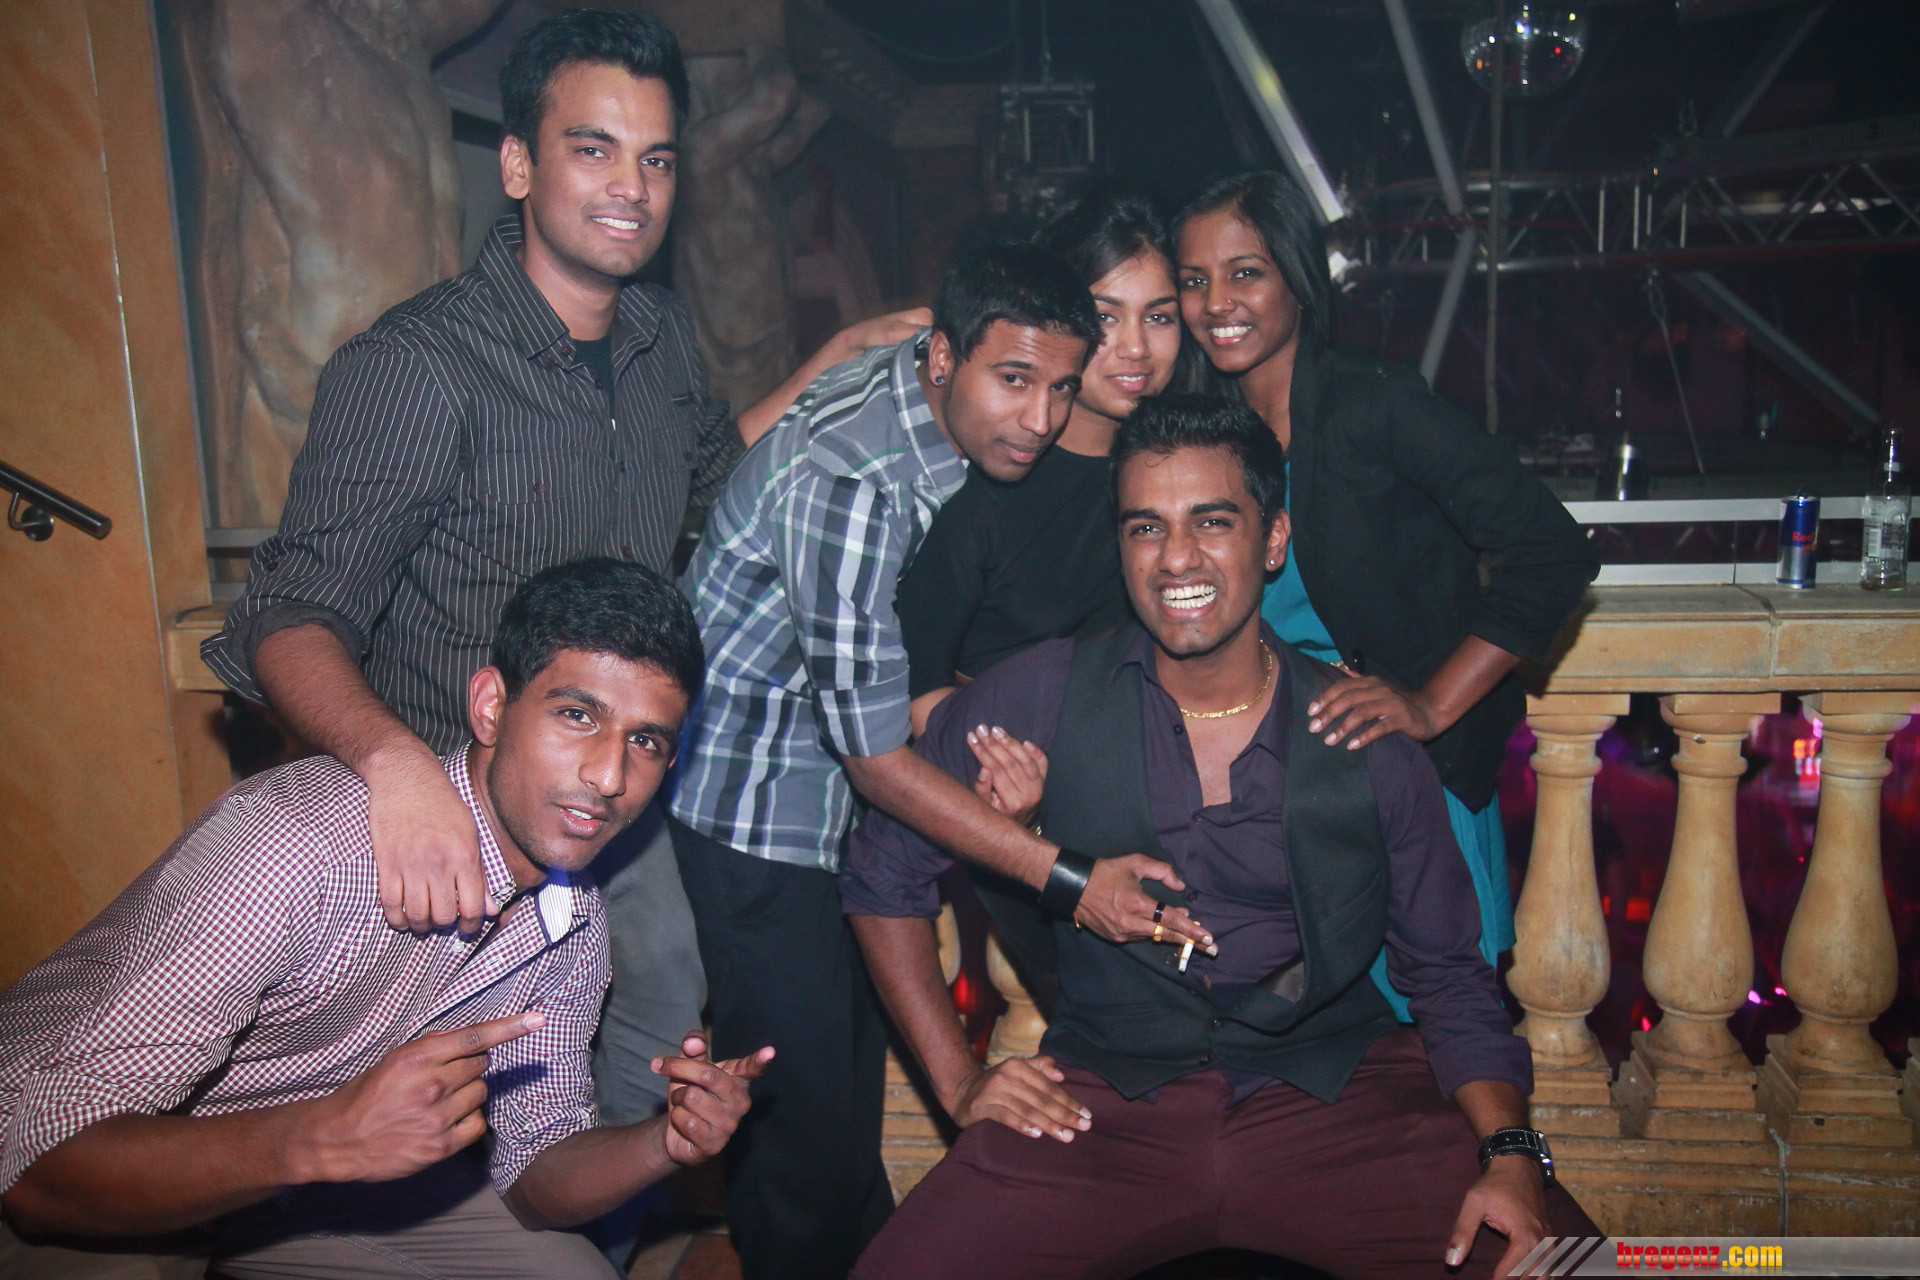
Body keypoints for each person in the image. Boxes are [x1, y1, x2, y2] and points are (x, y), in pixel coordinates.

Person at [195, 11, 921, 1258]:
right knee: (436, 1083)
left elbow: (713, 475)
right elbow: (286, 614)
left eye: (656, 157)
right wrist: (396, 770)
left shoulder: (657, 337)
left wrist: (834, 362)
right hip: (451, 813)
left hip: (615, 793)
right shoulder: (417, 367)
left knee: (664, 1001)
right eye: (594, 149)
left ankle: (590, 1236)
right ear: (520, 163)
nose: (632, 187)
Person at [840, 397, 1601, 1279]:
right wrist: (960, 1081)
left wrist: (1510, 1152)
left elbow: (1448, 977)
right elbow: (880, 874)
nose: (1176, 558)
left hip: (1337, 1098)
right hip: (1101, 1104)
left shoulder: (1365, 737)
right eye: (1146, 528)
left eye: (1212, 522)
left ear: (1273, 540)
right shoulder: (1038, 694)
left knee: (1571, 1268)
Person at [0, 559, 771, 1280]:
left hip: (309, 1186)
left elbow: (534, 1178)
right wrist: (328, 1138)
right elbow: (39, 1177)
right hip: (84, 1178)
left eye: (645, 741)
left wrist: (664, 1142)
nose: (608, 774)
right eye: (577, 715)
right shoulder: (301, 847)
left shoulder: (572, 920)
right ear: (491, 707)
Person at [667, 241, 1101, 1279]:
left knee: (841, 1118)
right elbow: (872, 760)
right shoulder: (854, 482)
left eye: (1062, 388)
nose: (1041, 417)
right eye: (1015, 380)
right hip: (756, 811)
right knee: (802, 1146)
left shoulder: (922, 386)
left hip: (826, 807)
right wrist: (1067, 876)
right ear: (945, 356)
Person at [1173, 168, 1599, 1016]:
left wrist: (1432, 704)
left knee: (1431, 1041)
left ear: (1299, 277)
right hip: (1269, 798)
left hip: (1401, 784)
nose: (1216, 302)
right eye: (1194, 280)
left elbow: (1550, 551)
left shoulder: (1375, 408)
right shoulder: (1208, 433)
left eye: (1245, 272)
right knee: (1298, 1057)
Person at [893, 186, 1183, 1009]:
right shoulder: (985, 487)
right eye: (1107, 317)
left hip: (1165, 802)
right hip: (1025, 816)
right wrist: (997, 766)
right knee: (1102, 1023)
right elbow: (915, 683)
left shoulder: (1177, 461)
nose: (1135, 348)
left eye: (1160, 316)